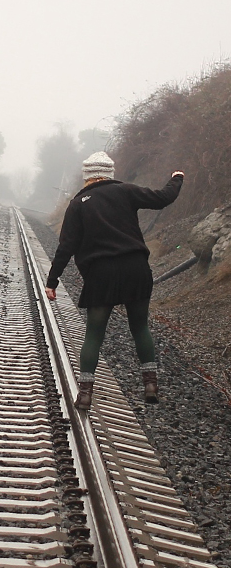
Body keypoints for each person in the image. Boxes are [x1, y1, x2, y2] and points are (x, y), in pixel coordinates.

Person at [45, 151, 184, 411]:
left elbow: (66, 247)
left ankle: (85, 394)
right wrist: (176, 178)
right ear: (110, 173)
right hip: (136, 268)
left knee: (94, 334)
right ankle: (150, 385)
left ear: (88, 176)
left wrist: (52, 281)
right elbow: (163, 198)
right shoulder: (127, 191)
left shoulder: (78, 203)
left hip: (101, 274)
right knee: (140, 327)